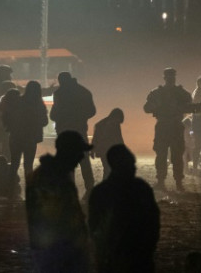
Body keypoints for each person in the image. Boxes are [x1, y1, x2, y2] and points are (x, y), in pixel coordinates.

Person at [26, 130, 91, 273]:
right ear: (69, 151)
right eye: (79, 152)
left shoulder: (51, 174)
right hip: (58, 252)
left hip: (54, 250)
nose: (81, 157)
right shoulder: (53, 178)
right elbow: (59, 220)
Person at [88, 144, 160, 273]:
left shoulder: (101, 192)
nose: (133, 167)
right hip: (138, 256)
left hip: (112, 257)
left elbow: (94, 227)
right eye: (130, 164)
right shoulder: (141, 189)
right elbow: (153, 222)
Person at [143, 67, 192, 191]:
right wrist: (155, 106)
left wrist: (180, 107)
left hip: (174, 125)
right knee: (161, 155)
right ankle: (161, 181)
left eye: (172, 76)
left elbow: (190, 106)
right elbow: (146, 108)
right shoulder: (157, 93)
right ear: (165, 78)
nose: (171, 79)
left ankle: (178, 182)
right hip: (164, 126)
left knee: (176, 155)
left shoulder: (181, 93)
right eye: (169, 76)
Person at [50, 72, 97, 197]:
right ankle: (90, 187)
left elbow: (54, 114)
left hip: (64, 130)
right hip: (80, 129)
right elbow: (92, 111)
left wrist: (58, 118)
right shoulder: (84, 92)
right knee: (84, 160)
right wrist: (81, 117)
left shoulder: (59, 94)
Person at [2, 81, 48, 180]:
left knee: (14, 164)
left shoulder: (17, 101)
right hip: (31, 138)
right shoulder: (39, 105)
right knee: (28, 165)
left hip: (16, 136)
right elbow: (44, 122)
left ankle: (10, 190)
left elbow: (8, 116)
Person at [89, 108, 125, 181]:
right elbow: (119, 139)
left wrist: (93, 150)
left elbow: (95, 139)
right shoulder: (114, 124)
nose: (118, 122)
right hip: (108, 151)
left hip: (104, 151)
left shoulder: (100, 124)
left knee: (108, 169)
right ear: (116, 116)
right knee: (109, 169)